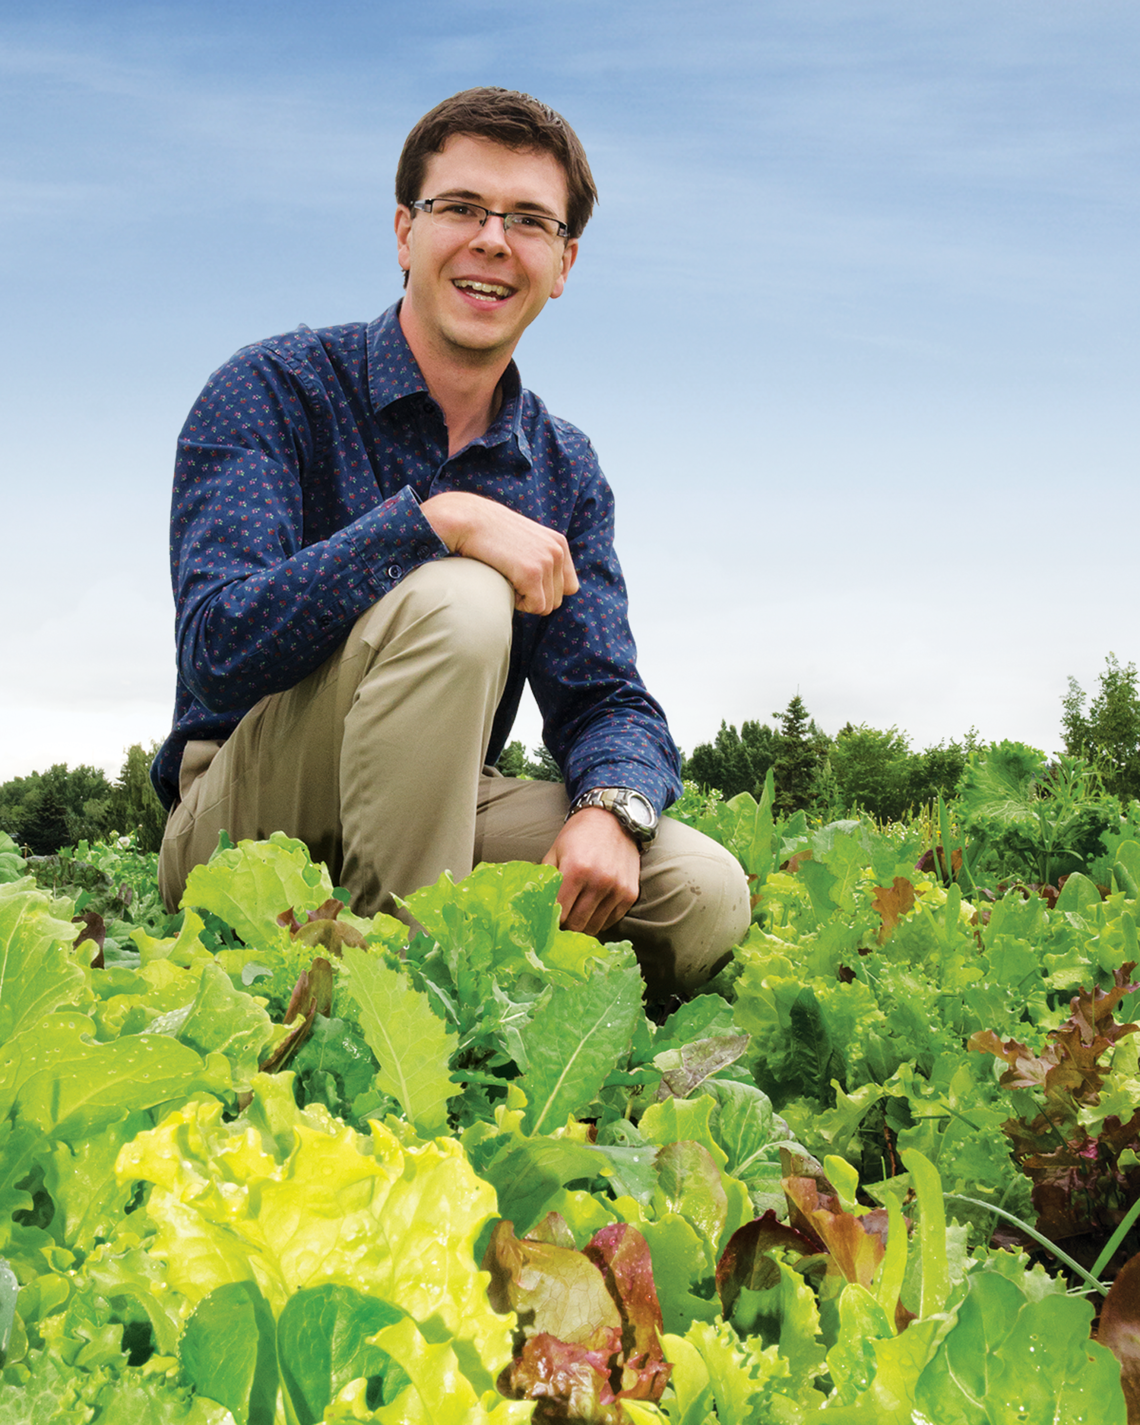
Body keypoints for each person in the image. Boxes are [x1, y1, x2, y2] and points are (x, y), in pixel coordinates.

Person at [152, 86, 749, 1000]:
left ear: (563, 262)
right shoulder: (272, 387)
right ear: (404, 232)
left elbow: (607, 696)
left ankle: (385, 948)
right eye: (461, 208)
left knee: (699, 892)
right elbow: (219, 651)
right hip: (249, 807)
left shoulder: (564, 466)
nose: (492, 241)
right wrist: (433, 522)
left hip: (438, 796)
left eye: (529, 221)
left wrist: (611, 809)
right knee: (463, 595)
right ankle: (400, 1009)